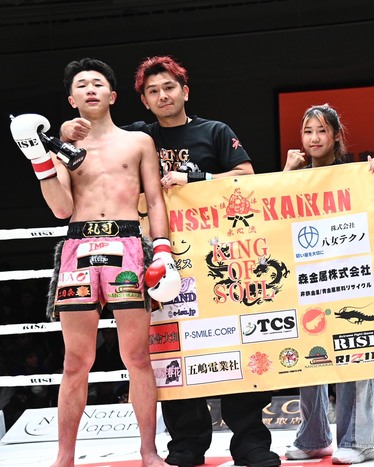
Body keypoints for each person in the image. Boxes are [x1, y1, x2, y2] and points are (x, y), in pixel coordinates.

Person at [60, 55, 277, 467]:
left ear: (185, 91)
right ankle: (186, 444)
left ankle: (251, 442)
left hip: (220, 259)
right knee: (172, 348)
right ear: (142, 100)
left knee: (233, 339)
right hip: (158, 261)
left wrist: (195, 179)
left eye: (169, 88)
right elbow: (91, 136)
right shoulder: (139, 135)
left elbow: (246, 176)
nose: (162, 96)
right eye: (153, 91)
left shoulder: (214, 131)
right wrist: (63, 132)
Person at [10, 57, 181, 466]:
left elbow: (155, 199)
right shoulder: (63, 149)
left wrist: (162, 248)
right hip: (78, 248)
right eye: (82, 84)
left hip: (127, 244)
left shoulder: (138, 142)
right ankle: (64, 458)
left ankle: (148, 452)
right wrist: (40, 158)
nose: (90, 88)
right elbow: (61, 209)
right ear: (72, 99)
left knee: (137, 357)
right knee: (75, 361)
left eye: (98, 83)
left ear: (113, 95)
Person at [282, 104, 374, 464]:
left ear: (336, 135)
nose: (314, 138)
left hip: (353, 278)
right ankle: (313, 439)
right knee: (310, 357)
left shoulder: (354, 174)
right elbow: (269, 221)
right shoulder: (294, 177)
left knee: (357, 355)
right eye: (308, 131)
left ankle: (359, 440)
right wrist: (286, 174)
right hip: (307, 279)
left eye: (321, 130)